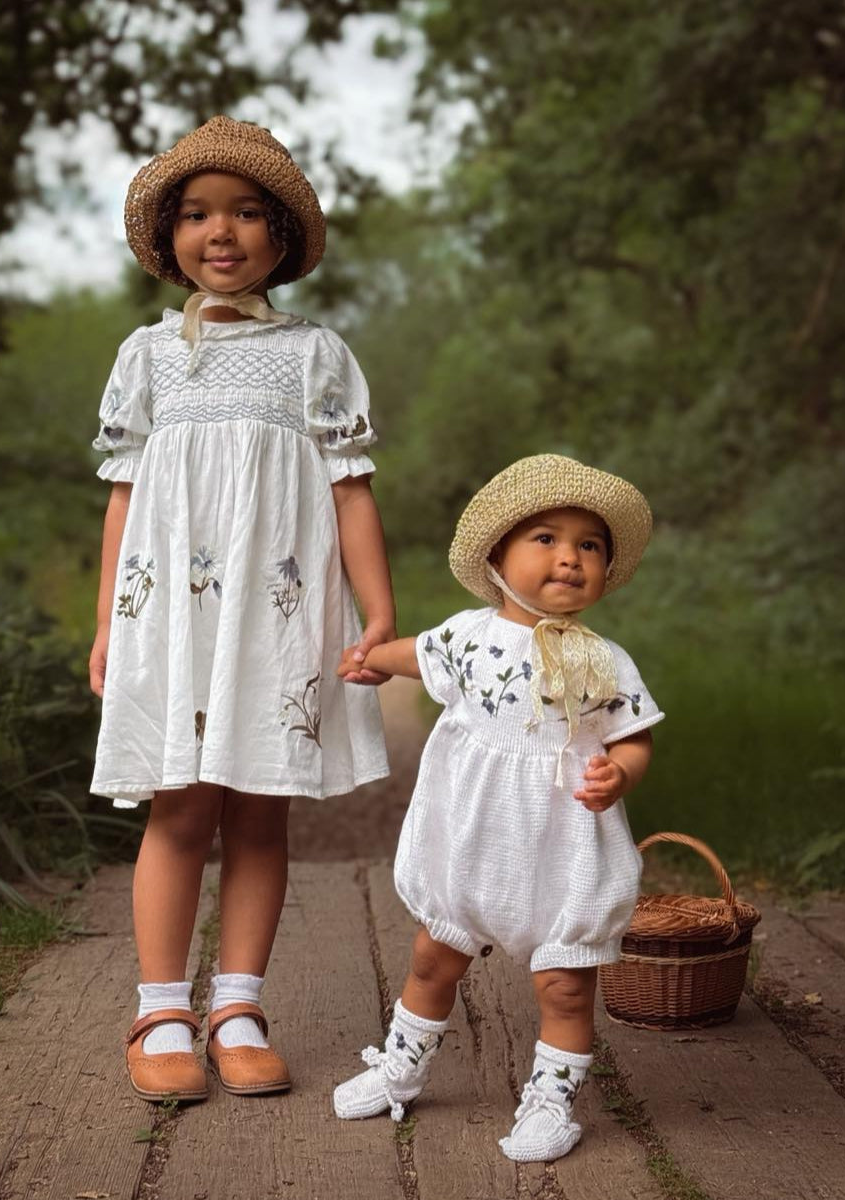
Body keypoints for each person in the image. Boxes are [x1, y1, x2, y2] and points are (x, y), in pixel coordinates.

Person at [88, 116, 394, 1104]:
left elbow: (350, 490)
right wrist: (106, 624)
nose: (221, 233)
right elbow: (124, 499)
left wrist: (376, 619)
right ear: (169, 239)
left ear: (280, 238)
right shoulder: (145, 359)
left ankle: (240, 1004)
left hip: (278, 617)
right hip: (172, 620)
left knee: (261, 808)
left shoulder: (316, 356)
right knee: (180, 807)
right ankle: (162, 1005)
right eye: (197, 214)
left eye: (247, 213)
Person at [332, 453, 664, 1162]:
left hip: (561, 847)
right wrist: (368, 657)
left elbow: (635, 737)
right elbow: (415, 654)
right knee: (432, 956)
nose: (570, 558)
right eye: (546, 538)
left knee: (566, 985)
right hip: (472, 838)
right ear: (497, 556)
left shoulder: (604, 660)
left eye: (590, 545)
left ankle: (552, 1099)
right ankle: (402, 1064)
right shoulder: (468, 635)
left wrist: (620, 775)